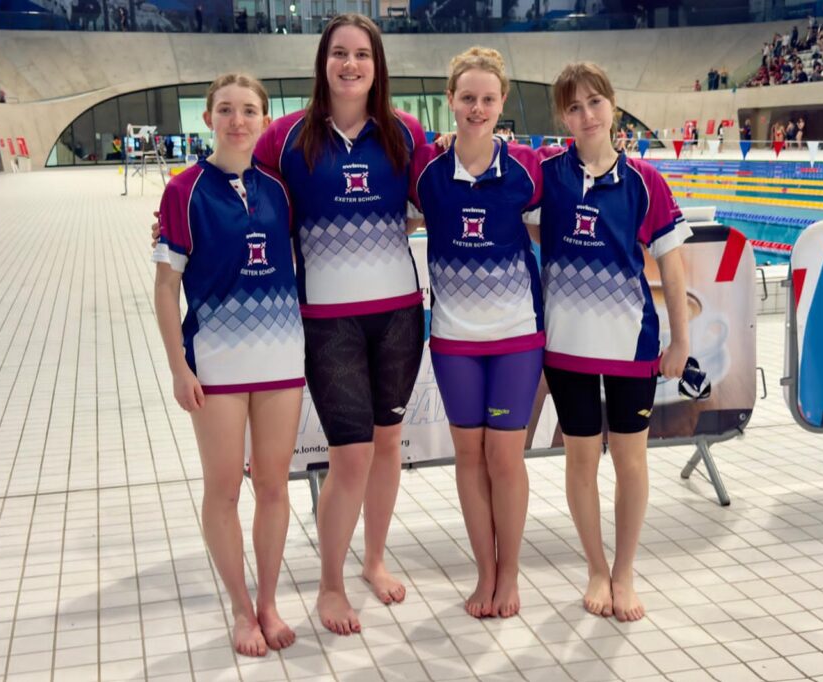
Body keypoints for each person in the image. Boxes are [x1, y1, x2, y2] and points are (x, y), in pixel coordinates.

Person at [251, 14, 426, 635]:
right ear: (323, 63)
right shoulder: (286, 138)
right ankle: (330, 583)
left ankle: (374, 559)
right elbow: (242, 196)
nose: (350, 65)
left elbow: (441, 200)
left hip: (399, 316)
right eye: (340, 54)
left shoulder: (404, 133)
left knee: (388, 444)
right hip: (328, 323)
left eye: (362, 55)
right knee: (349, 455)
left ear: (378, 67)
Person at [152, 73, 305, 656]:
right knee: (222, 487)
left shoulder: (280, 189)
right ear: (207, 118)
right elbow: (165, 288)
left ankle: (267, 601)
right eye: (225, 110)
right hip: (215, 363)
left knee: (272, 485)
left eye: (247, 110)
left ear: (265, 118)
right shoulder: (183, 190)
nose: (237, 121)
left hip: (280, 358)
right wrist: (179, 367)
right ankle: (241, 609)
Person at [534, 62, 690, 621]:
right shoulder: (545, 176)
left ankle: (624, 572)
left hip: (631, 346)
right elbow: (488, 168)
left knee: (630, 460)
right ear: (563, 117)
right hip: (568, 347)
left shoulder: (646, 181)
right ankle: (596, 569)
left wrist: (680, 341)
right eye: (574, 107)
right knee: (580, 460)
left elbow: (672, 268)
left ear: (613, 105)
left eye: (595, 102)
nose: (587, 115)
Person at [409, 47, 544, 620]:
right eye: (468, 98)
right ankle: (484, 572)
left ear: (502, 101)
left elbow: (557, 231)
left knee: (505, 457)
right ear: (451, 100)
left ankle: (509, 573)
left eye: (488, 99)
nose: (478, 108)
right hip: (454, 339)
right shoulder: (427, 172)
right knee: (469, 456)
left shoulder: (526, 169)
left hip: (516, 336)